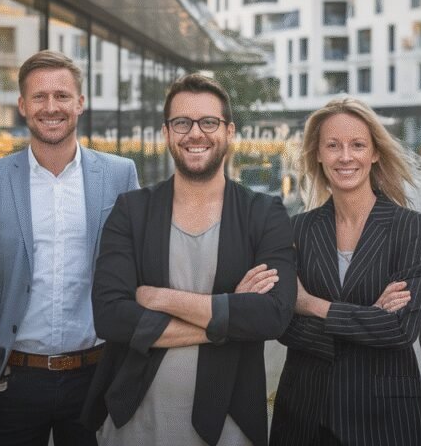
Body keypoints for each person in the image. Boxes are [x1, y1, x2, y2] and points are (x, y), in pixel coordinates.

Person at [82, 73, 296, 446]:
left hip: (229, 425)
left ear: (229, 132)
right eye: (182, 122)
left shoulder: (264, 213)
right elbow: (110, 315)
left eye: (208, 122)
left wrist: (161, 298)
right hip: (135, 422)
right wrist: (227, 317)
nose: (195, 133)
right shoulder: (132, 210)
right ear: (166, 133)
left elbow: (273, 315)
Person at [0, 50, 139, 446]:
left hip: (93, 377)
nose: (51, 107)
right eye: (39, 97)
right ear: (23, 106)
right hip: (14, 379)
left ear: (80, 102)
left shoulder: (119, 175)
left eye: (62, 95)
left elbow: (137, 269)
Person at [270, 98, 421, 446]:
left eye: (357, 145)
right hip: (305, 415)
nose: (345, 157)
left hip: (386, 419)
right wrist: (369, 319)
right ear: (317, 153)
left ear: (374, 153)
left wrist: (313, 305)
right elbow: (283, 324)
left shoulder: (410, 227)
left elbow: (402, 328)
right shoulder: (297, 229)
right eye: (333, 145)